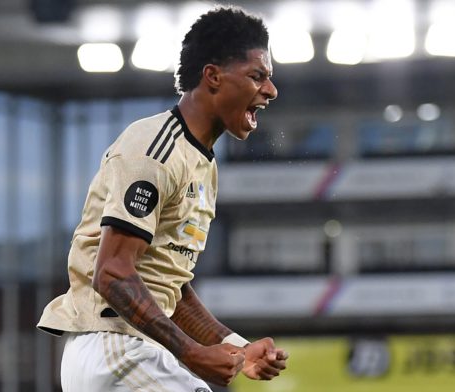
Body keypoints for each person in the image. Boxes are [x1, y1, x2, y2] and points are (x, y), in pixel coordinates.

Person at [38, 6, 288, 391]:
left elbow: (172, 288)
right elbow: (113, 272)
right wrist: (190, 354)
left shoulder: (201, 163)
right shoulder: (156, 149)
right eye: (258, 76)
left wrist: (235, 347)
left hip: (127, 349)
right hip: (115, 346)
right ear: (213, 76)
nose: (270, 91)